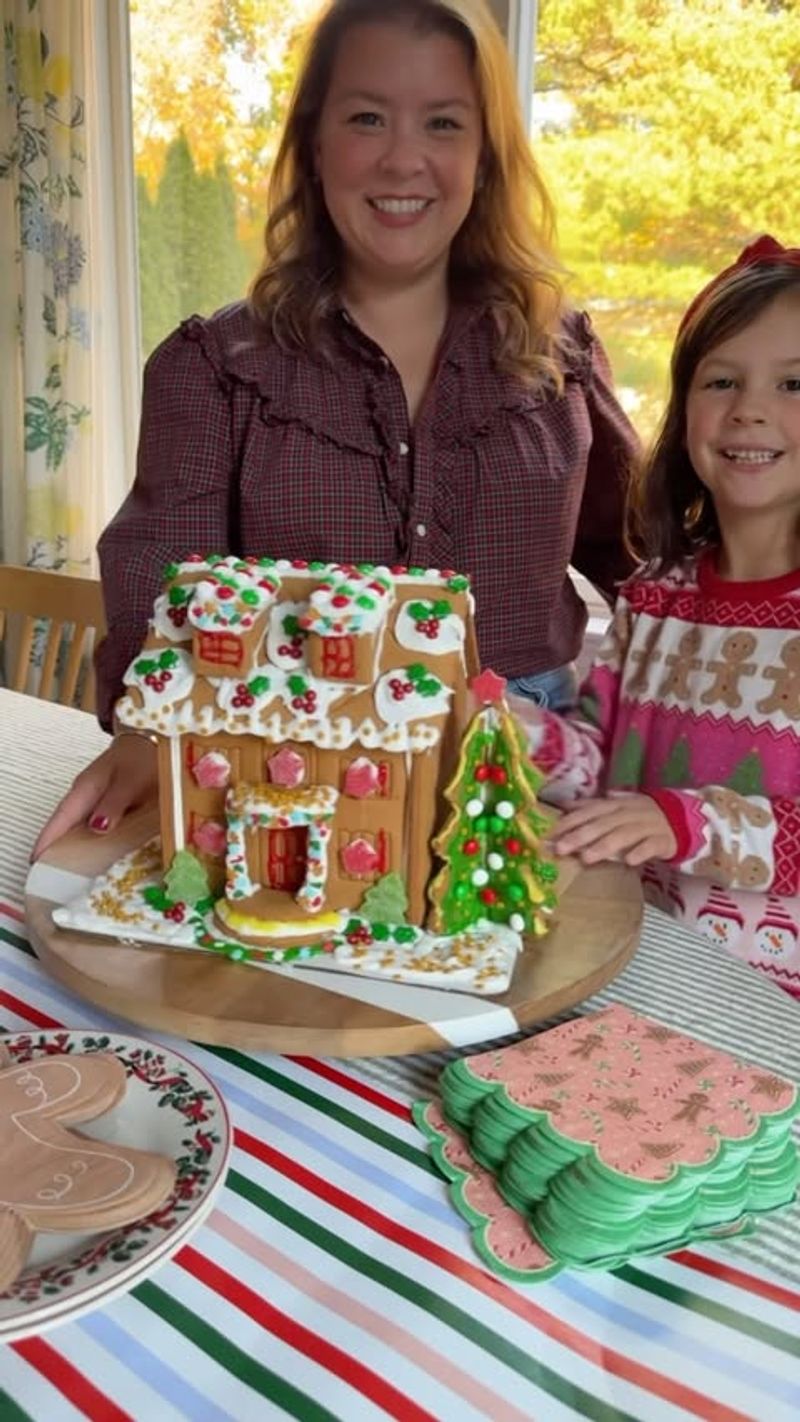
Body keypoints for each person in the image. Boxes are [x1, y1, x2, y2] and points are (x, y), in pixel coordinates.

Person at [32, 0, 636, 859]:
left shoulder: (560, 357)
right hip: (287, 766)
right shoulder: (215, 368)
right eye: (366, 118)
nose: (404, 158)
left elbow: (646, 562)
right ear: (315, 146)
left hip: (532, 774)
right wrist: (145, 727)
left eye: (443, 122)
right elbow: (164, 588)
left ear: (485, 153)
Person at [512, 235, 800, 999]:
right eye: (722, 380)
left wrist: (683, 822)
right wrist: (509, 724)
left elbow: (661, 815)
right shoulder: (653, 596)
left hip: (776, 1025)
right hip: (637, 976)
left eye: (795, 384)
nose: (749, 411)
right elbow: (602, 772)